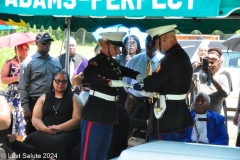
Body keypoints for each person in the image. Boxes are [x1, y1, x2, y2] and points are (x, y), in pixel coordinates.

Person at [80, 32, 143, 160]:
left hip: (109, 113)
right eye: (115, 47)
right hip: (96, 113)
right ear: (104, 45)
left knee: (103, 153)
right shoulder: (95, 62)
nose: (119, 50)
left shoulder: (112, 63)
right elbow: (89, 75)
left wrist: (136, 75)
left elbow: (123, 70)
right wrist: (109, 82)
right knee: (90, 154)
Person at [135, 24, 193, 141]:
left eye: (156, 43)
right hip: (179, 115)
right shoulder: (182, 55)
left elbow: (151, 84)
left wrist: (142, 83)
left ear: (164, 39)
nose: (155, 47)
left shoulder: (169, 59)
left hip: (167, 117)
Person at [10, 71, 82, 160]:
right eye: (58, 81)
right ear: (53, 81)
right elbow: (36, 118)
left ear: (68, 83)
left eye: (64, 81)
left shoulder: (74, 98)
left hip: (67, 131)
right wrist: (45, 129)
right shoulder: (44, 97)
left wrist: (58, 128)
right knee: (30, 138)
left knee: (57, 142)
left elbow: (77, 119)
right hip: (46, 130)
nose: (61, 83)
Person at [19, 32, 62, 135]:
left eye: (49, 42)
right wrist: (26, 108)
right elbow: (23, 87)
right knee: (32, 133)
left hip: (53, 101)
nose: (47, 45)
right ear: (37, 43)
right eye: (44, 43)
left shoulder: (56, 62)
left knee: (51, 131)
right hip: (34, 101)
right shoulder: (28, 62)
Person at [123, 35, 163, 117]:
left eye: (153, 43)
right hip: (134, 101)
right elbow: (125, 82)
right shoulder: (134, 60)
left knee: (151, 128)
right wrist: (134, 94)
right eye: (148, 43)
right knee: (129, 128)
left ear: (158, 44)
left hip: (154, 103)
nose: (151, 46)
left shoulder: (162, 62)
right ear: (144, 44)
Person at [1, 43, 29, 141]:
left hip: (25, 96)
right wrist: (16, 78)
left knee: (23, 125)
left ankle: (20, 144)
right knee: (14, 122)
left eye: (26, 49)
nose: (25, 50)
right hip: (13, 98)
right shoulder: (9, 63)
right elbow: (2, 79)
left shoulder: (30, 63)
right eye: (22, 48)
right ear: (15, 51)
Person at [191, 47, 230, 114]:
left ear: (219, 63)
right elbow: (184, 79)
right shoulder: (198, 76)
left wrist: (212, 79)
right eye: (207, 62)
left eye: (212, 62)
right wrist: (196, 64)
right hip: (196, 116)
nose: (209, 65)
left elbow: (225, 94)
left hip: (213, 117)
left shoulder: (222, 77)